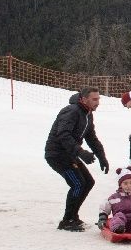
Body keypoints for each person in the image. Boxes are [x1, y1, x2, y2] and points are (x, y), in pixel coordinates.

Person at [44, 88, 110, 232]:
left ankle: (73, 217)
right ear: (84, 99)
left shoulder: (87, 114)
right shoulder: (71, 111)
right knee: (78, 184)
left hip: (69, 154)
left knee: (88, 182)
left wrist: (102, 157)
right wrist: (81, 152)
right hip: (57, 154)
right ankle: (67, 221)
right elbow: (63, 135)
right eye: (94, 99)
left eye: (99, 99)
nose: (98, 102)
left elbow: (91, 138)